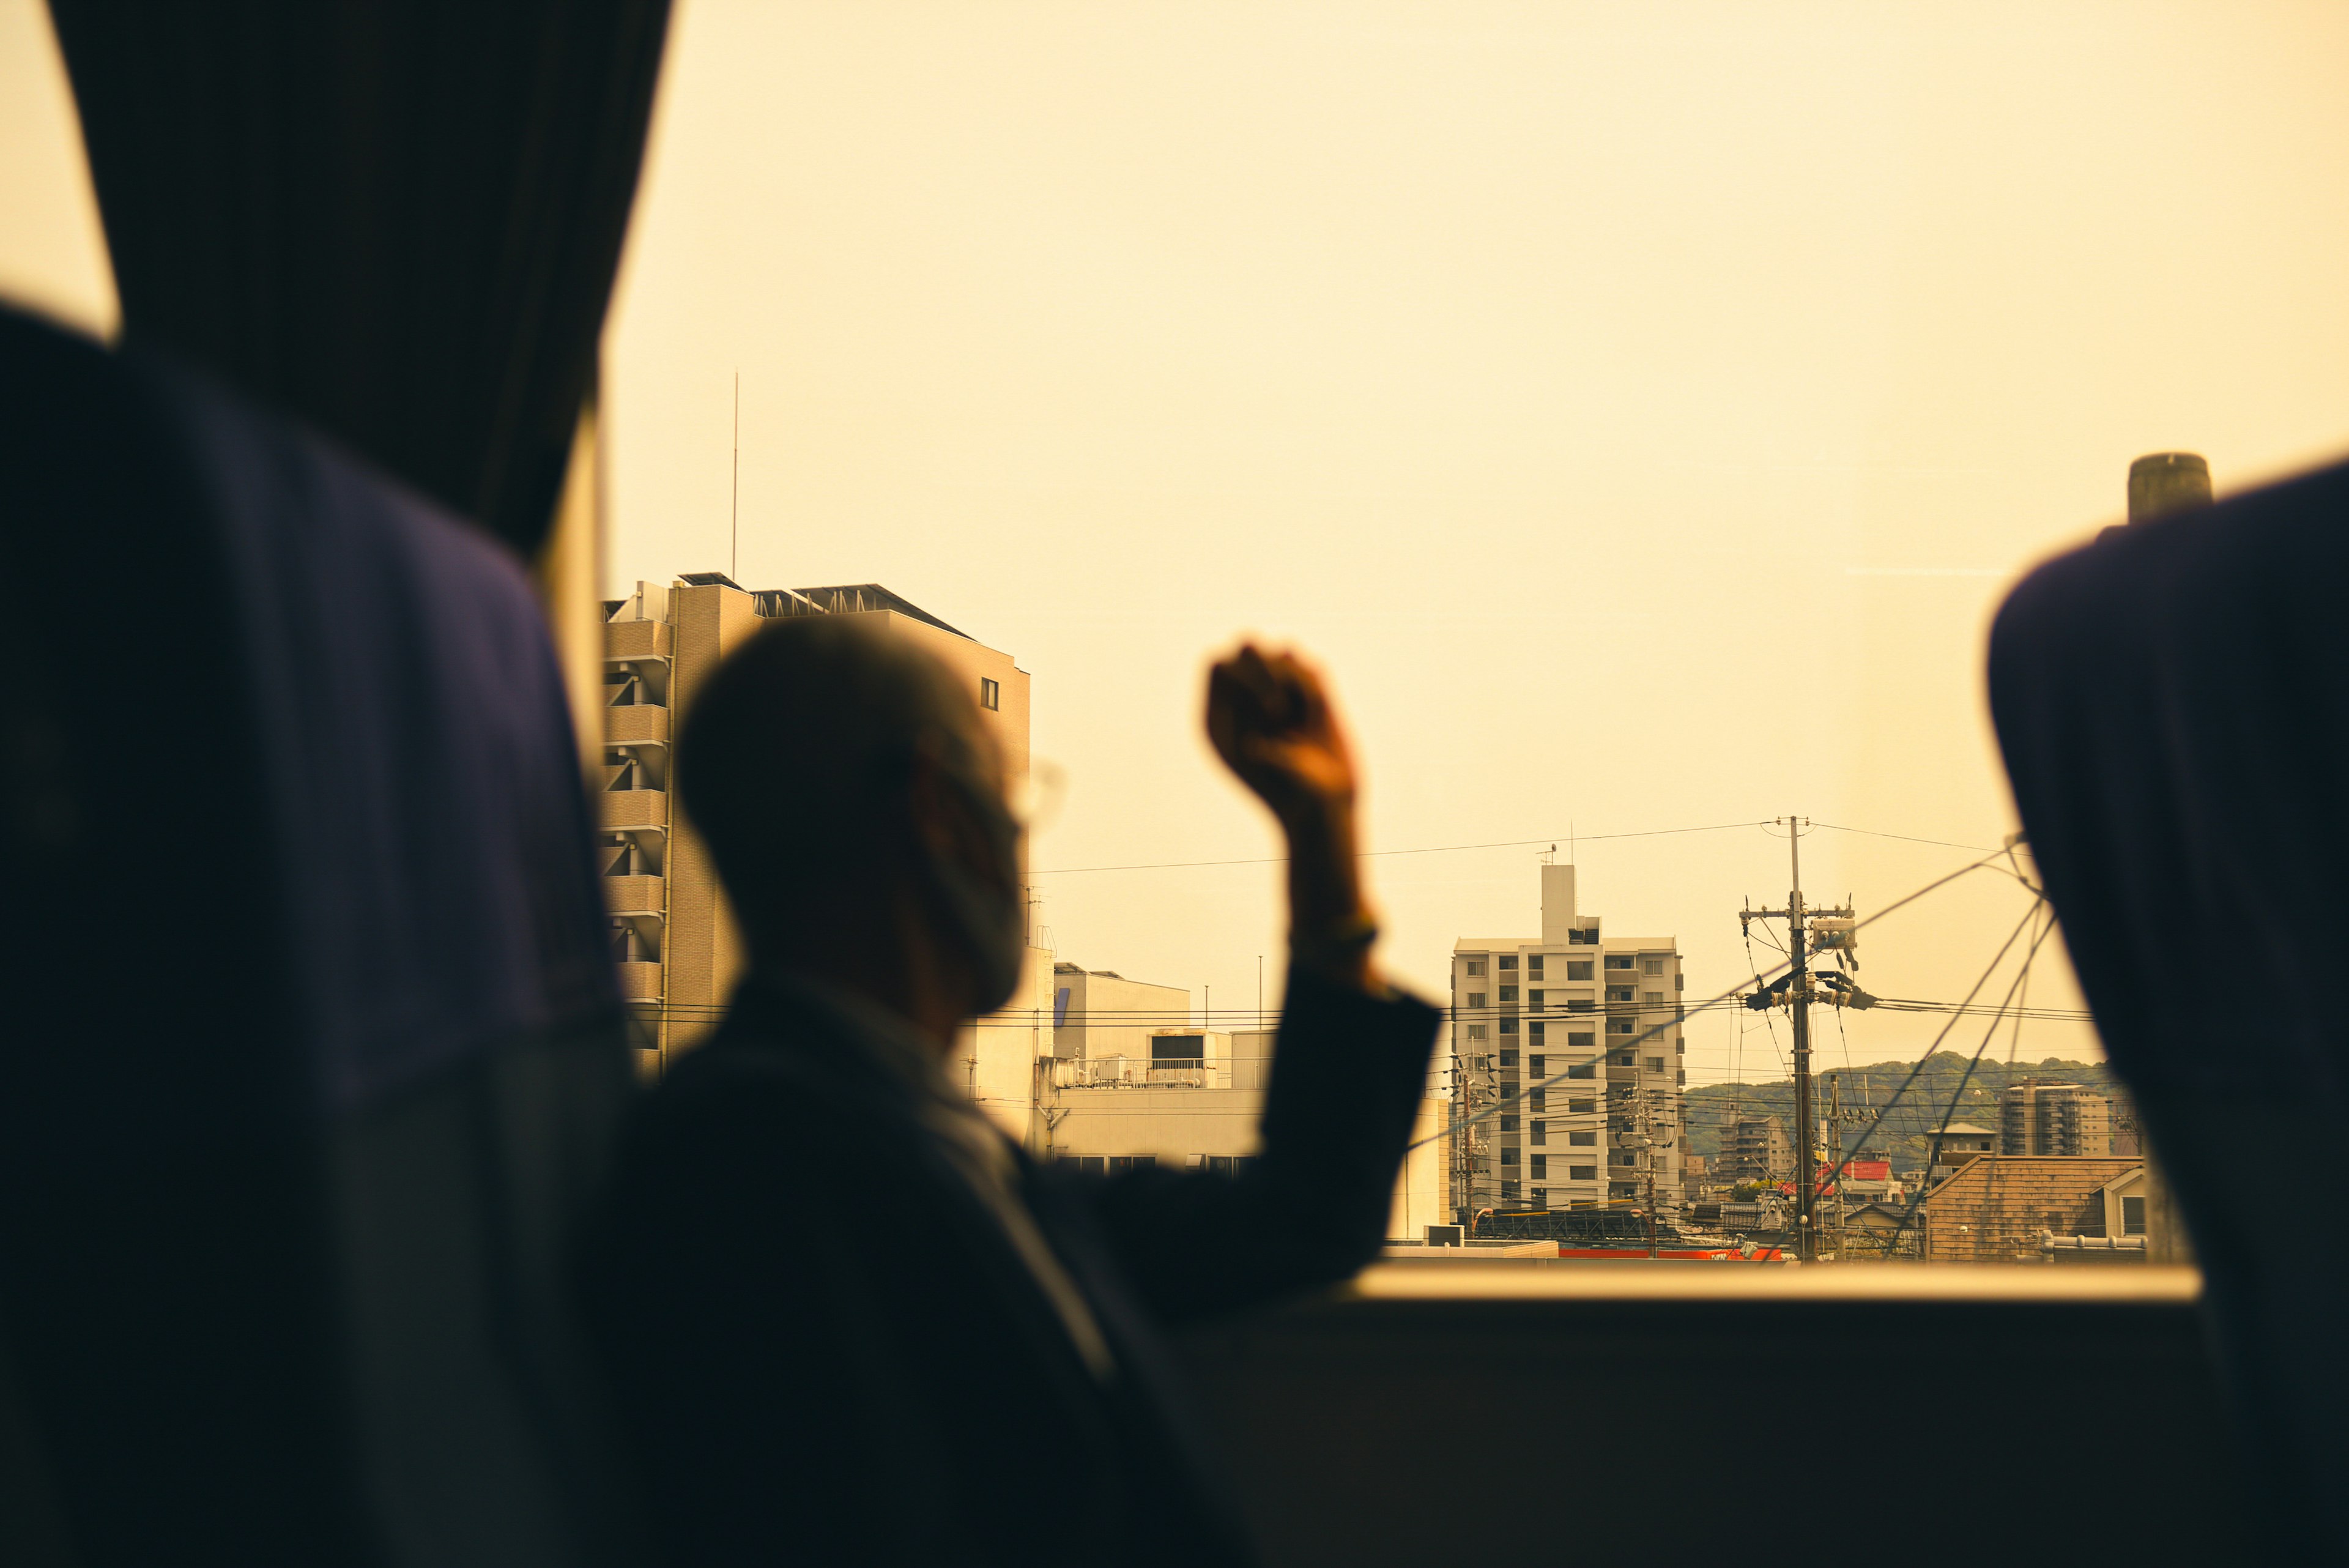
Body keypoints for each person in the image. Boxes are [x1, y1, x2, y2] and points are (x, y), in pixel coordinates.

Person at [576, 616, 1439, 1567]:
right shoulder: (751, 1170)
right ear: (939, 806)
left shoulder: (934, 1146)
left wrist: (1324, 838)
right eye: (1007, 794)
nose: (1022, 843)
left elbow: (1302, 1217)